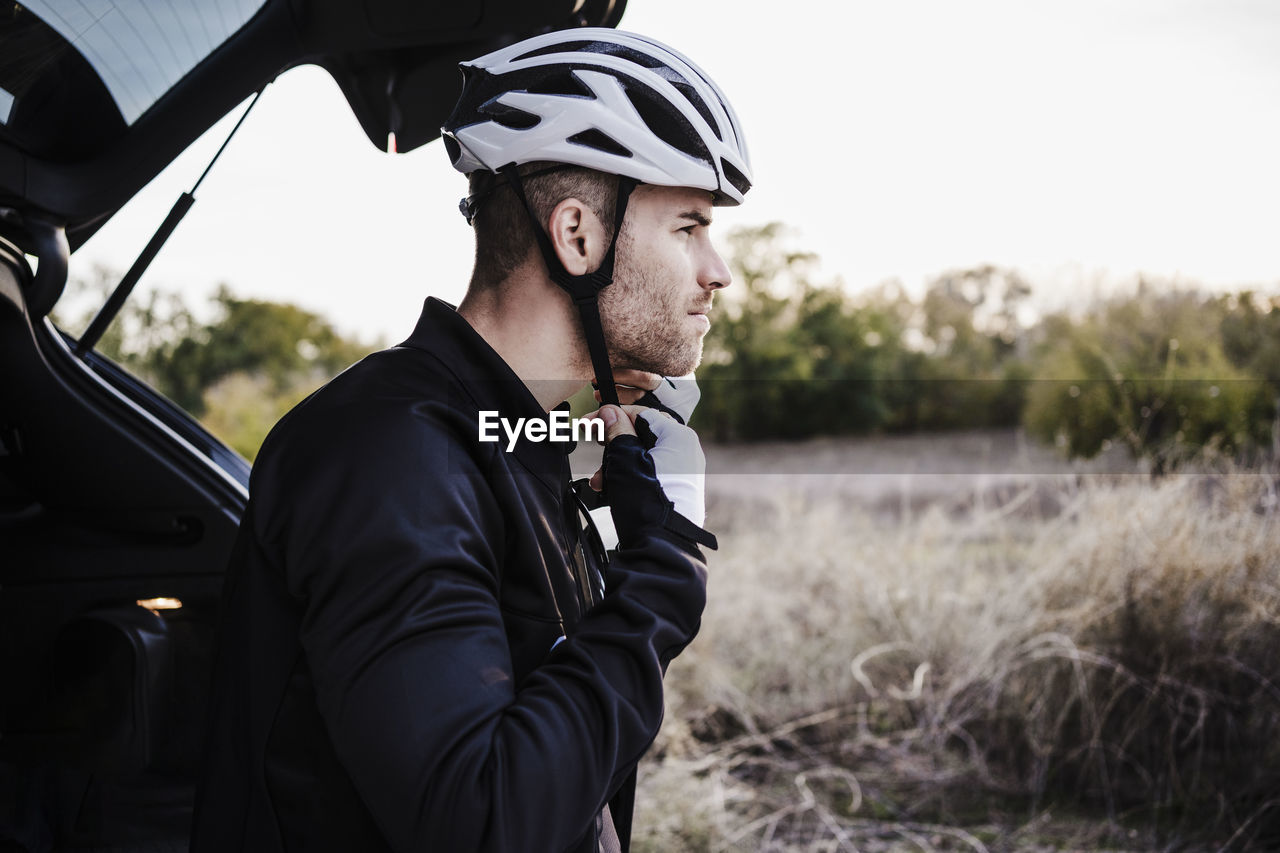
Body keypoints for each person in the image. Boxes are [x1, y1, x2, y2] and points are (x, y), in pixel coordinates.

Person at [190, 27, 751, 853]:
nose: (718, 270)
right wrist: (663, 574)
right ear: (577, 236)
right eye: (689, 227)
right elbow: (481, 817)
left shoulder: (517, 437)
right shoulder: (391, 455)